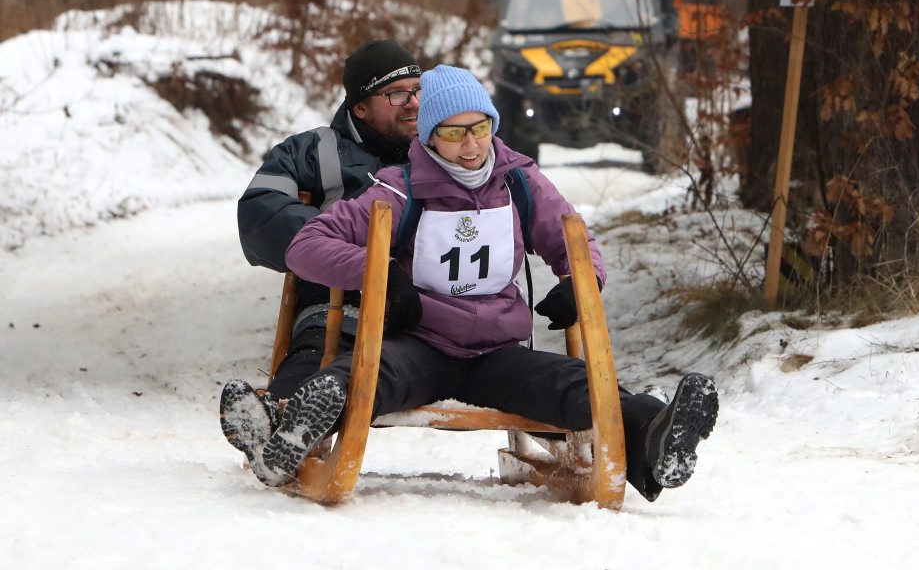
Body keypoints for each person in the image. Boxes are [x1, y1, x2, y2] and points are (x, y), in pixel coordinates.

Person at [220, 65, 719, 503]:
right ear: (430, 137)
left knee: (573, 384)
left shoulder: (519, 180)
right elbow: (308, 245)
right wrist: (380, 274)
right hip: (420, 344)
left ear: (492, 126)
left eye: (479, 129)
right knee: (363, 375)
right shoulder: (400, 187)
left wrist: (580, 278)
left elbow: (572, 234)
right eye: (454, 133)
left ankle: (657, 435)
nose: (471, 145)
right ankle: (296, 429)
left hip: (496, 352)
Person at [230, 39, 421, 401]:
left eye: (416, 90)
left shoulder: (449, 146)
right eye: (396, 94)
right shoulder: (314, 150)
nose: (413, 103)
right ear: (361, 107)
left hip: (432, 307)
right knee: (318, 353)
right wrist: (344, 251)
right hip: (339, 304)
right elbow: (258, 215)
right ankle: (281, 419)